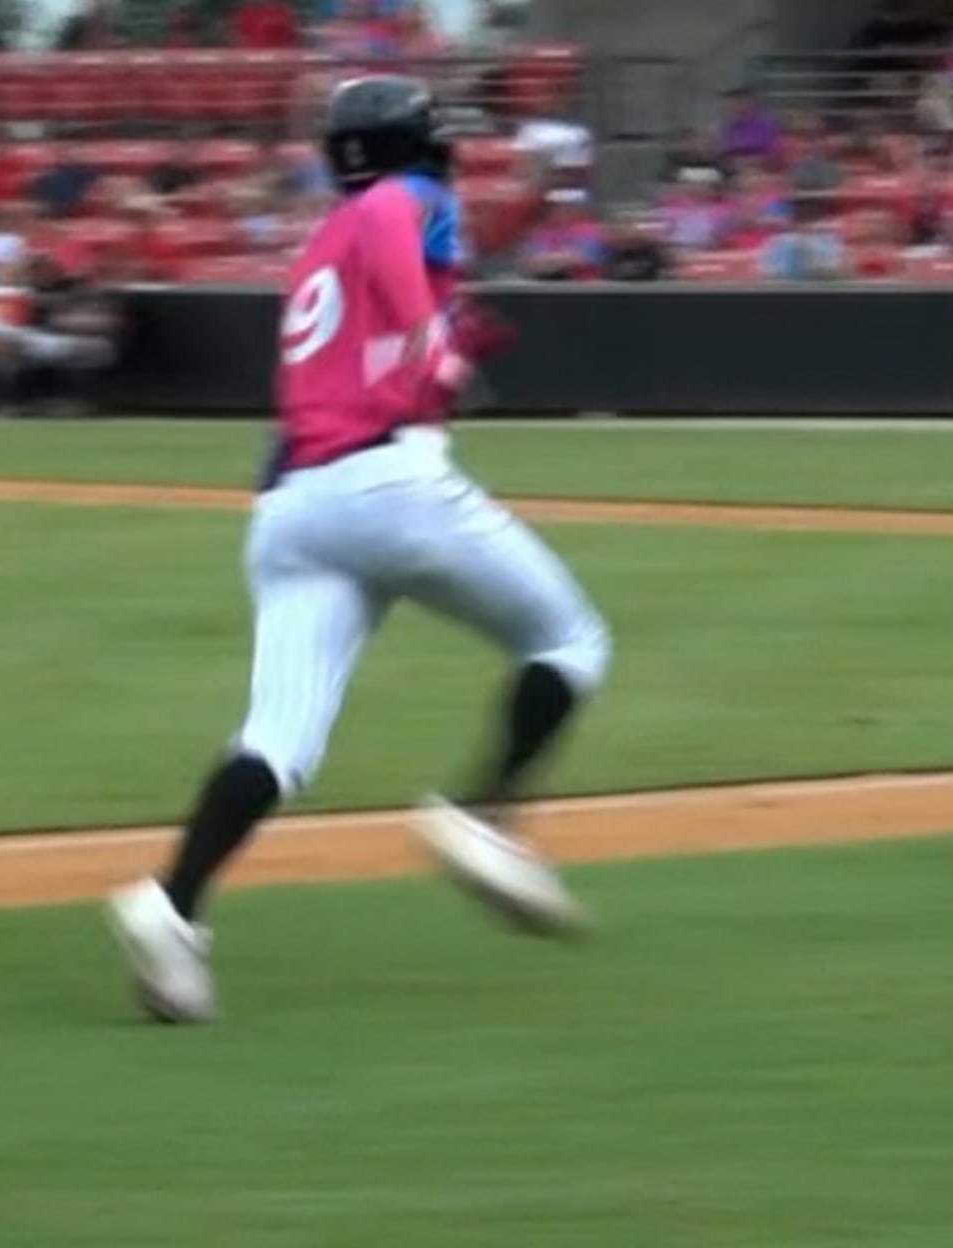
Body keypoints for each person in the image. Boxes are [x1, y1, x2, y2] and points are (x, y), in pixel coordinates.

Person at [107, 76, 609, 1025]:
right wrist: (432, 341)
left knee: (278, 742)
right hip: (389, 484)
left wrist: (474, 266)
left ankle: (172, 910)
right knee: (570, 642)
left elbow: (404, 256)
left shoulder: (321, 243)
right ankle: (488, 817)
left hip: (294, 506)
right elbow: (397, 225)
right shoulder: (400, 201)